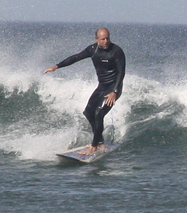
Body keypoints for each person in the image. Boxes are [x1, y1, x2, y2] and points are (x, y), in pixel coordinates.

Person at [43, 27, 126, 156]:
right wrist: (57, 66)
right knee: (88, 112)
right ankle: (100, 142)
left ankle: (94, 146)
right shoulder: (92, 50)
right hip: (102, 87)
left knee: (99, 114)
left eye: (107, 38)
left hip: (114, 88)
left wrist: (114, 92)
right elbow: (76, 57)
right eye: (103, 39)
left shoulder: (116, 51)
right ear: (96, 39)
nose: (106, 41)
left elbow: (121, 72)